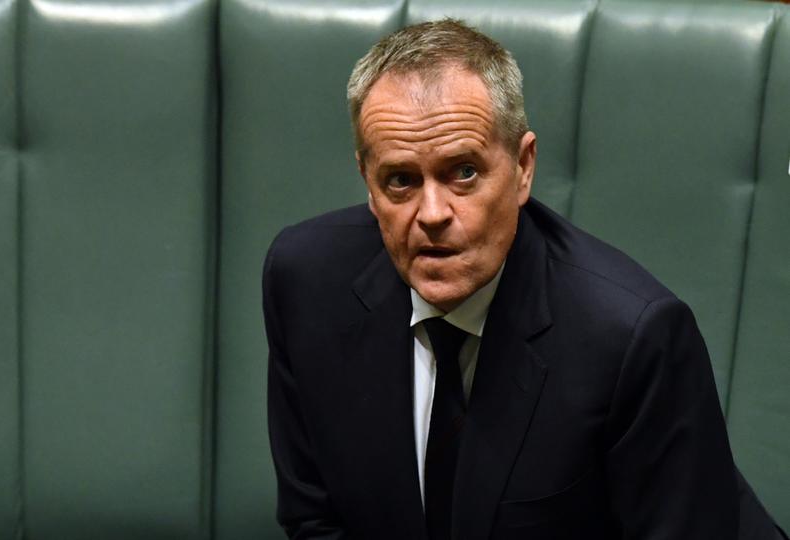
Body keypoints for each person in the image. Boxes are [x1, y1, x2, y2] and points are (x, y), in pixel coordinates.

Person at [264, 19, 786, 540]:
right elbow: (315, 520)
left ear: (523, 167)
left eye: (463, 171)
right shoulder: (307, 282)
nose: (432, 213)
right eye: (400, 180)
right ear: (368, 184)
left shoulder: (632, 339)